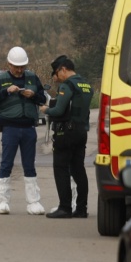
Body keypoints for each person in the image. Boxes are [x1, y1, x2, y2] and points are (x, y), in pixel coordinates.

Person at [0, 46, 48, 215]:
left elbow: (43, 98)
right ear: (9, 64)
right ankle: (3, 202)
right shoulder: (1, 79)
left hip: (28, 128)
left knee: (29, 164)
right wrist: (6, 91)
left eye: (22, 67)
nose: (20, 70)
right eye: (16, 66)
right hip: (10, 128)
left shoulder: (33, 78)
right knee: (6, 163)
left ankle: (33, 202)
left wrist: (33, 96)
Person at [41, 56, 92, 219]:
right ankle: (82, 208)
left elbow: (58, 111)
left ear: (63, 69)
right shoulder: (86, 85)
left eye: (57, 72)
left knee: (61, 168)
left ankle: (65, 207)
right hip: (81, 131)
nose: (57, 77)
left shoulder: (67, 85)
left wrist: (45, 109)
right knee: (78, 169)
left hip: (66, 133)